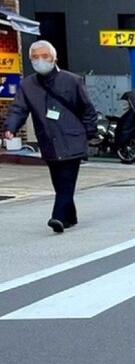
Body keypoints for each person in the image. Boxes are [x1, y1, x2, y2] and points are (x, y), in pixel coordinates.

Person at [2, 40, 99, 232]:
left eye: (44, 56)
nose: (40, 60)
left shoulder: (72, 81)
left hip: (72, 138)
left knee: (66, 180)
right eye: (35, 57)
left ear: (54, 58)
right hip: (48, 141)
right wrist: (10, 127)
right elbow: (18, 109)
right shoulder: (28, 85)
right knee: (59, 181)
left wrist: (90, 134)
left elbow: (87, 109)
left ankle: (58, 218)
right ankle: (70, 216)